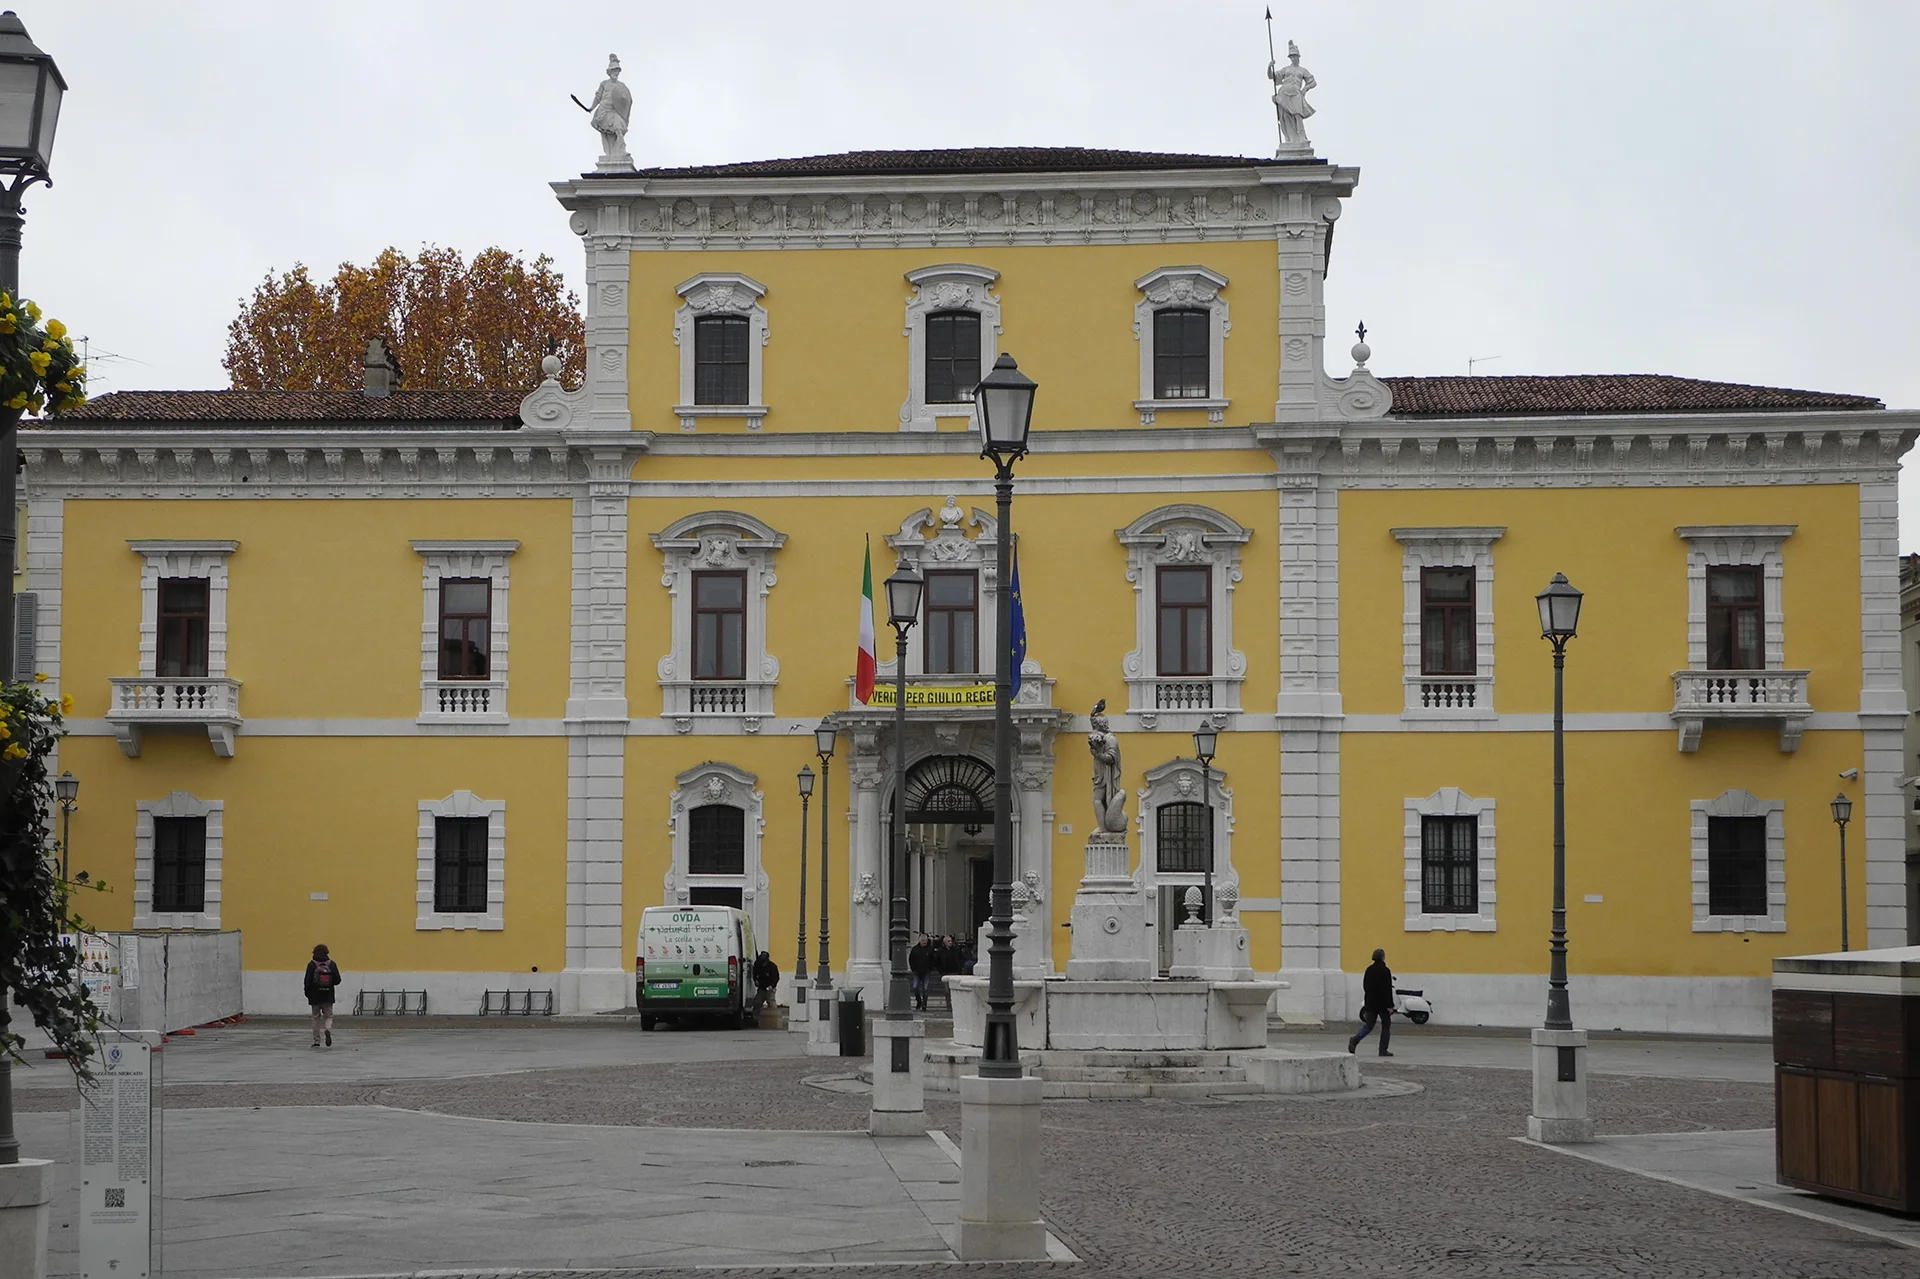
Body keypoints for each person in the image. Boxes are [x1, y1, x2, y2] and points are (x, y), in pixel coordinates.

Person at [1348, 947, 1394, 1057]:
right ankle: (1383, 1050)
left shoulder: (1369, 969)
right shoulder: (1385, 971)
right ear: (1383, 957)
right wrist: (1390, 1005)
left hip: (1371, 1003)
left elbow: (1365, 986)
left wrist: (1369, 998)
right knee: (1386, 1026)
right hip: (1383, 1005)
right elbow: (1387, 989)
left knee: (1368, 1026)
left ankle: (1356, 1039)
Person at [304, 944, 342, 1049]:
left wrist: (308, 994)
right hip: (328, 994)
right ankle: (327, 1029)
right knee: (328, 1016)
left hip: (315, 995)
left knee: (316, 1018)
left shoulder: (311, 964)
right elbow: (337, 980)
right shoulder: (331, 964)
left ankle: (316, 1041)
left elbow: (307, 981)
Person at [749, 950, 779, 1017]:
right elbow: (754, 973)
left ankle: (774, 1018)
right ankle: (756, 1018)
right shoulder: (757, 964)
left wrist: (772, 985)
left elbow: (776, 978)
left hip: (770, 987)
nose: (762, 964)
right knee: (757, 1002)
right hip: (761, 987)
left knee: (771, 1002)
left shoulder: (772, 967)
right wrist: (755, 980)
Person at [908, 934, 933, 1010]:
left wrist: (930, 968)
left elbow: (933, 959)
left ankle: (924, 1005)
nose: (924, 942)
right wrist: (913, 969)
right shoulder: (915, 949)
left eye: (925, 940)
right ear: (920, 941)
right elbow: (911, 959)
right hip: (917, 972)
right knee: (915, 987)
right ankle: (919, 1001)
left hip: (926, 971)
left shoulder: (930, 949)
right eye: (923, 940)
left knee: (925, 989)